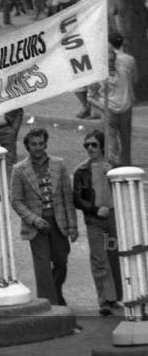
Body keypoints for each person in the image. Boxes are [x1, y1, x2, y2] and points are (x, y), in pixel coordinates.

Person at [9, 128, 79, 306]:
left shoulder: (59, 164)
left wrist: (73, 226)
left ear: (45, 143)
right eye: (34, 144)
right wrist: (33, 219)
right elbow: (16, 201)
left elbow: (67, 198)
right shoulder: (19, 170)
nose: (38, 147)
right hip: (36, 227)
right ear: (28, 146)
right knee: (42, 269)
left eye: (41, 143)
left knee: (61, 262)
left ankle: (55, 294)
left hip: (58, 223)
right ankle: (51, 306)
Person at [73, 129, 122, 316]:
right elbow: (77, 199)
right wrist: (94, 209)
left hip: (113, 218)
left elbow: (126, 187)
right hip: (94, 221)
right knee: (99, 259)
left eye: (94, 144)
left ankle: (115, 298)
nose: (90, 148)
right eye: (87, 145)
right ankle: (104, 300)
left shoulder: (113, 166)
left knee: (114, 256)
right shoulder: (81, 171)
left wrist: (113, 174)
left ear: (102, 146)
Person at [89, 32, 135, 166]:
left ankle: (126, 167)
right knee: (111, 143)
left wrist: (130, 101)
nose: (110, 62)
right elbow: (90, 97)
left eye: (112, 59)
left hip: (126, 109)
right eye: (107, 60)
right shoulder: (98, 75)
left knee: (126, 140)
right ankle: (113, 168)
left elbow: (130, 87)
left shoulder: (124, 72)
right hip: (109, 111)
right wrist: (103, 108)